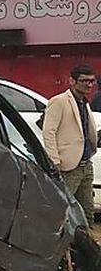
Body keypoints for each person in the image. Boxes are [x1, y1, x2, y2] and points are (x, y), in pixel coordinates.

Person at [44, 64, 99, 213]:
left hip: (86, 164)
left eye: (92, 81)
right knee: (62, 208)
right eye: (84, 80)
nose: (89, 84)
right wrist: (55, 161)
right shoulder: (60, 101)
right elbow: (49, 132)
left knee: (87, 210)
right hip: (68, 166)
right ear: (72, 81)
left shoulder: (84, 102)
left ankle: (86, 236)